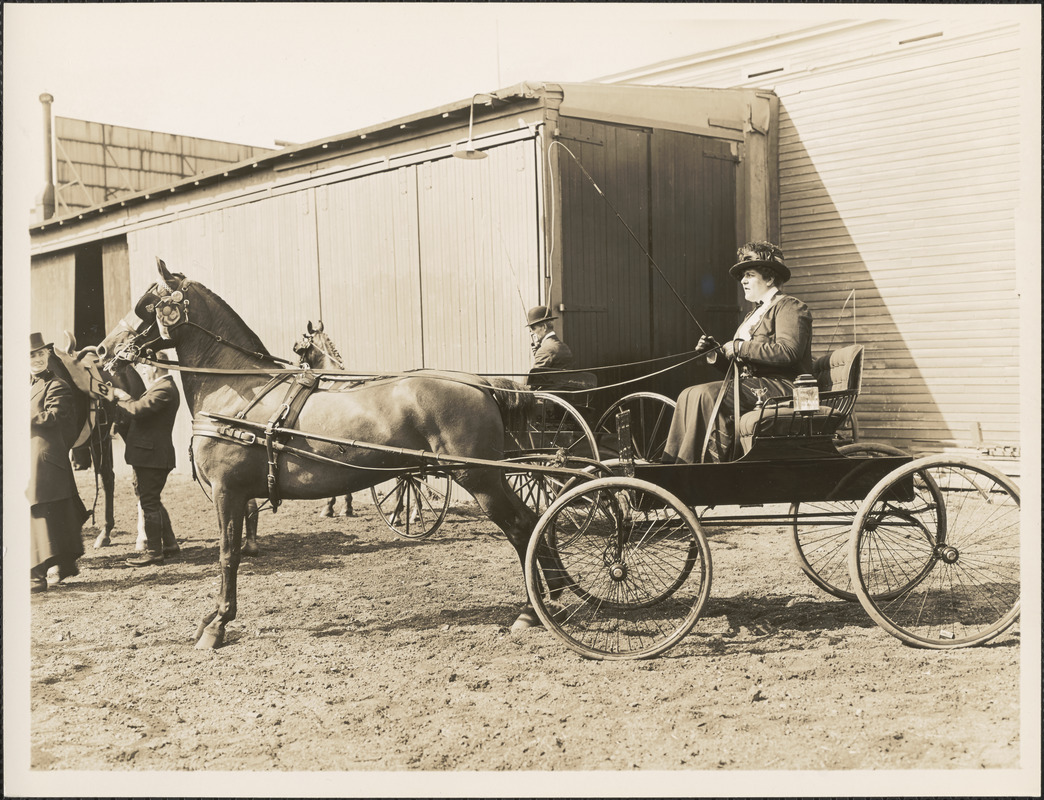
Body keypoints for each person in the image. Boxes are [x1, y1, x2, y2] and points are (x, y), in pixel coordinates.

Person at [662, 241, 813, 463]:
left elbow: (788, 352)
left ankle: (693, 468)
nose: (743, 281)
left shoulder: (790, 307)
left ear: (769, 278)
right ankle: (672, 464)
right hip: (754, 387)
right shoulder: (753, 315)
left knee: (705, 395)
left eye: (749, 275)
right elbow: (739, 367)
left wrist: (739, 347)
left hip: (784, 388)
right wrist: (715, 354)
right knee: (688, 394)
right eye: (743, 276)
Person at [29, 332, 88, 593]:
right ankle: (64, 564)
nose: (36, 359)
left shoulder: (57, 385)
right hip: (32, 460)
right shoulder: (28, 386)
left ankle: (35, 577)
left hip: (45, 460)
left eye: (40, 354)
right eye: (31, 355)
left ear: (47, 356)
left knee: (37, 515)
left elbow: (54, 417)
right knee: (53, 515)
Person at [111, 351, 181, 566]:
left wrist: (120, 397)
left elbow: (137, 410)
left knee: (148, 502)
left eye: (144, 366)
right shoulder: (160, 387)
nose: (142, 370)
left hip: (152, 456)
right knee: (152, 500)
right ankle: (169, 544)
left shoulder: (164, 389)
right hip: (150, 454)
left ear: (156, 367)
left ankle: (154, 552)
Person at [525, 305, 575, 390]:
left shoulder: (545, 350)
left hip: (547, 398)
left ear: (544, 327)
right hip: (565, 394)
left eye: (533, 328)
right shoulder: (564, 346)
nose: (531, 333)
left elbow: (533, 383)